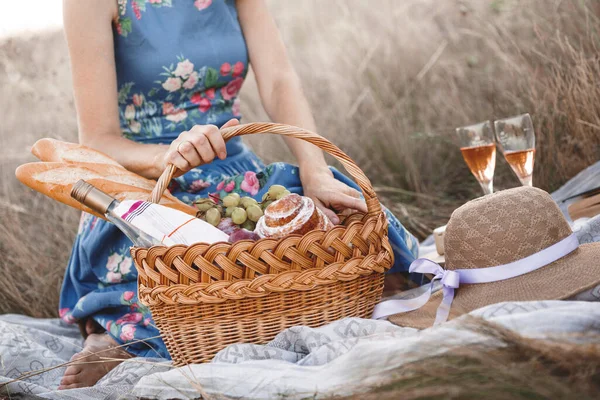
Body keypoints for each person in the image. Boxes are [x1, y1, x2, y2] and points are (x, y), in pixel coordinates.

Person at [58, 0, 419, 389]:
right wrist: (169, 156)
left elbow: (279, 78)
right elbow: (97, 141)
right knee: (186, 281)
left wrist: (314, 170)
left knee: (339, 238)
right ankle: (118, 336)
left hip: (237, 178)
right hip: (148, 187)